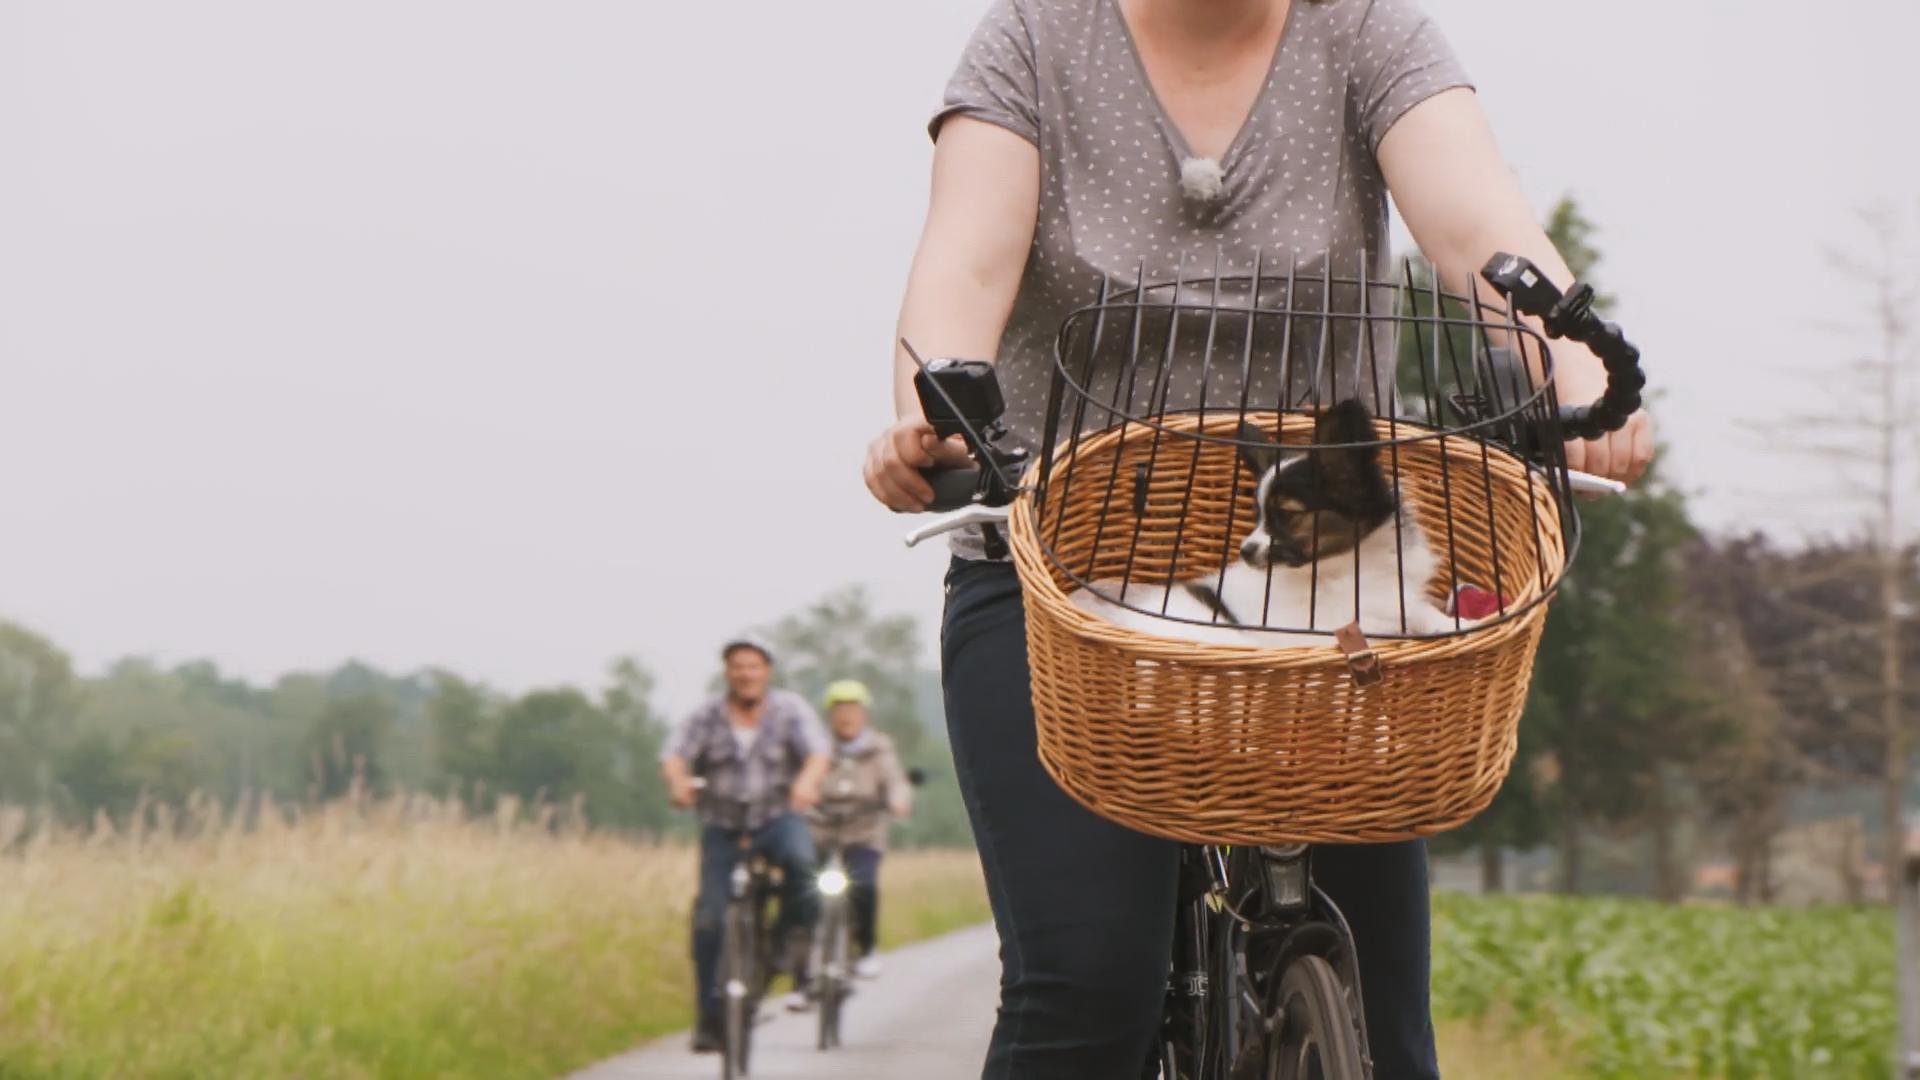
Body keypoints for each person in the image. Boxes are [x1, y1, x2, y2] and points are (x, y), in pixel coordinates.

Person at [860, 1, 1655, 1077]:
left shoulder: (1366, 32)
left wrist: (1576, 371)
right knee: (1088, 991)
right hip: (1063, 571)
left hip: (1331, 594)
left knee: (1386, 1025)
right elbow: (964, 268)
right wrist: (934, 418)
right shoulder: (1034, 39)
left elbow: (1480, 232)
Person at [659, 634, 830, 1051]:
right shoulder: (707, 715)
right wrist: (679, 784)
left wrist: (807, 784)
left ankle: (785, 946)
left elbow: (817, 753)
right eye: (738, 666)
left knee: (804, 869)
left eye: (753, 666)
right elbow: (674, 754)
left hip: (777, 817)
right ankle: (708, 1017)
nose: (746, 674)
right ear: (727, 673)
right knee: (710, 919)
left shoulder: (790, 710)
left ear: (766, 671)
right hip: (723, 825)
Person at [809, 679, 914, 980]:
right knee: (802, 889)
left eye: (852, 709)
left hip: (864, 832)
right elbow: (800, 778)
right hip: (820, 830)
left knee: (864, 886)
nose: (846, 716)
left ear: (863, 713)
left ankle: (866, 949)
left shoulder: (879, 748)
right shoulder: (817, 748)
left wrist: (898, 800)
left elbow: (895, 781)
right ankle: (802, 957)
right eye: (840, 709)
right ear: (830, 714)